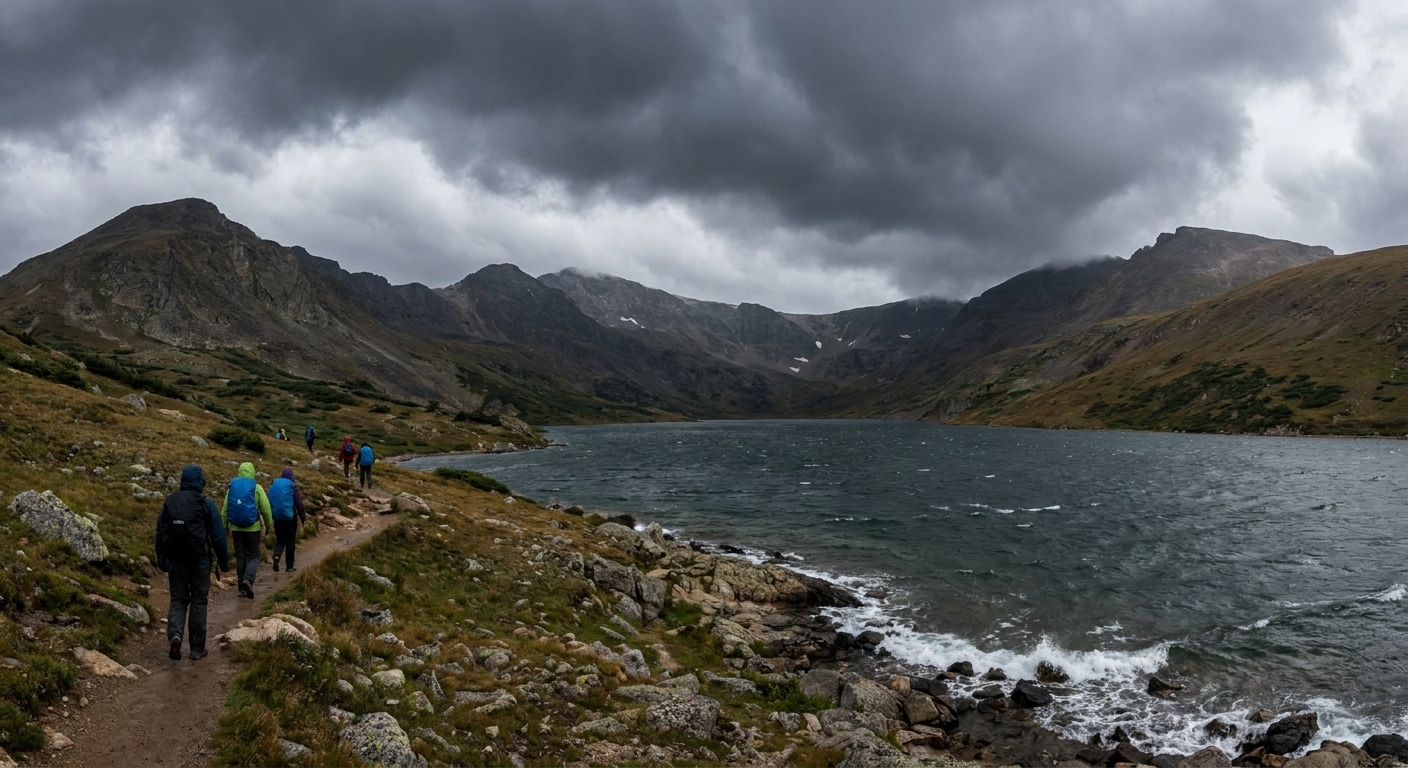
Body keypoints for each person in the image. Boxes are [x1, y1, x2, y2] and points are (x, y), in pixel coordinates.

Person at [154, 464, 230, 661]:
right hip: (200, 561)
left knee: (178, 600)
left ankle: (176, 637)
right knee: (198, 601)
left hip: (176, 561)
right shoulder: (205, 503)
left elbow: (160, 532)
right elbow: (218, 536)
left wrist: (162, 560)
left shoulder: (171, 501)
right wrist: (224, 563)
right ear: (200, 482)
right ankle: (197, 649)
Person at [221, 462, 273, 599]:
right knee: (254, 556)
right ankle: (248, 580)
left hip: (236, 528)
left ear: (239, 471)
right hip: (253, 528)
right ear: (252, 472)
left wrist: (224, 527)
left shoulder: (232, 488)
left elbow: (225, 509)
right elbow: (266, 509)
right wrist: (268, 524)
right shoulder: (256, 487)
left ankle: (241, 587)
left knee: (241, 556)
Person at [267, 467, 306, 572]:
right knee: (290, 541)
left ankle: (276, 556)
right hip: (290, 519)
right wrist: (303, 518)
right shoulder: (292, 486)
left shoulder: (275, 485)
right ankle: (289, 566)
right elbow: (299, 504)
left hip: (277, 518)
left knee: (280, 540)